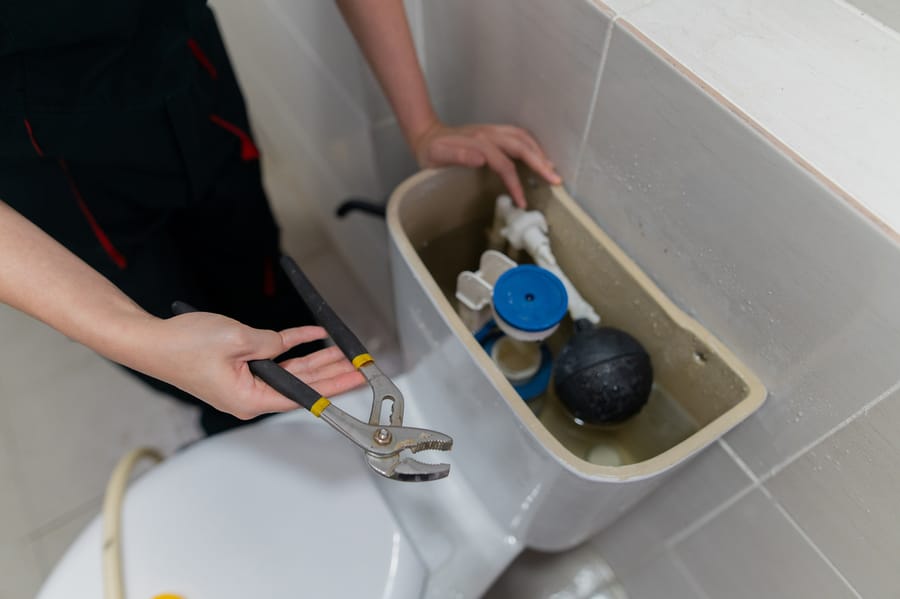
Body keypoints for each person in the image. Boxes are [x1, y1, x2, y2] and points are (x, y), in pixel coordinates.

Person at [0, 0, 560, 434]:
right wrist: (142, 339)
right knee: (169, 331)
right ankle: (228, 424)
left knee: (258, 275)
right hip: (47, 159)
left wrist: (423, 126)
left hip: (188, 76)